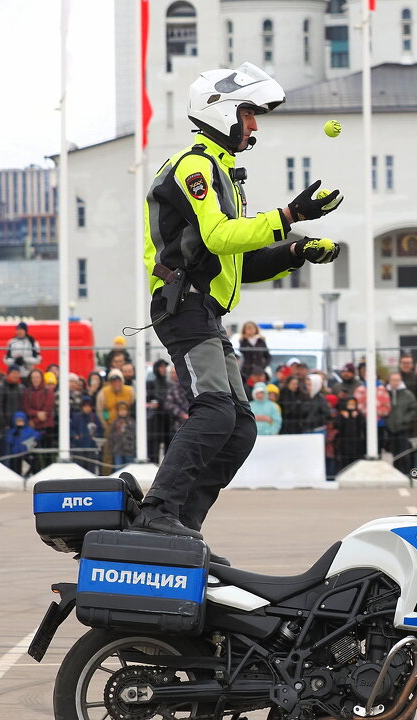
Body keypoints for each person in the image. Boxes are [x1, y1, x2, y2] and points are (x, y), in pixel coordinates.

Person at [134, 61, 342, 541]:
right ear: (223, 111)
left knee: (242, 427)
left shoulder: (226, 176)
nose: (253, 126)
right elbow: (221, 235)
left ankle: (183, 525)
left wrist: (296, 251)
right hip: (182, 304)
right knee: (217, 411)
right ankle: (157, 511)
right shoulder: (195, 166)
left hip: (203, 308)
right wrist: (289, 214)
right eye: (249, 115)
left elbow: (235, 263)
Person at [23, 368, 56, 468]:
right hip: (33, 427)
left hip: (46, 426)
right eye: (33, 377)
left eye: (37, 377)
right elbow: (26, 408)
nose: (35, 379)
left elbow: (48, 409)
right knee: (34, 454)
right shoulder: (27, 392)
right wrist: (36, 414)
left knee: (47, 452)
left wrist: (34, 419)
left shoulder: (48, 392)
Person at [385, 371, 417, 471]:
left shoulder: (407, 395)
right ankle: (396, 471)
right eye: (393, 380)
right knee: (394, 453)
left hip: (404, 428)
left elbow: (414, 409)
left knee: (404, 453)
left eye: (397, 380)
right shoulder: (385, 393)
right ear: (389, 381)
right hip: (390, 429)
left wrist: (405, 420)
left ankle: (406, 472)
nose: (395, 382)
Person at [238, 321, 271, 398]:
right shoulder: (243, 341)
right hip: (247, 371)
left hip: (259, 371)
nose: (250, 330)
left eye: (252, 328)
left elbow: (268, 356)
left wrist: (263, 366)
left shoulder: (261, 341)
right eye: (248, 328)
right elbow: (242, 351)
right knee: (247, 389)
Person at [70, 394, 102, 470]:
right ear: (82, 407)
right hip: (79, 447)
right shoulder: (76, 417)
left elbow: (99, 430)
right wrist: (75, 436)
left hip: (91, 447)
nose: (87, 408)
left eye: (89, 406)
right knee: (79, 467)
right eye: (85, 406)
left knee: (91, 467)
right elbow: (71, 429)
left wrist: (96, 439)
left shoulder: (94, 417)